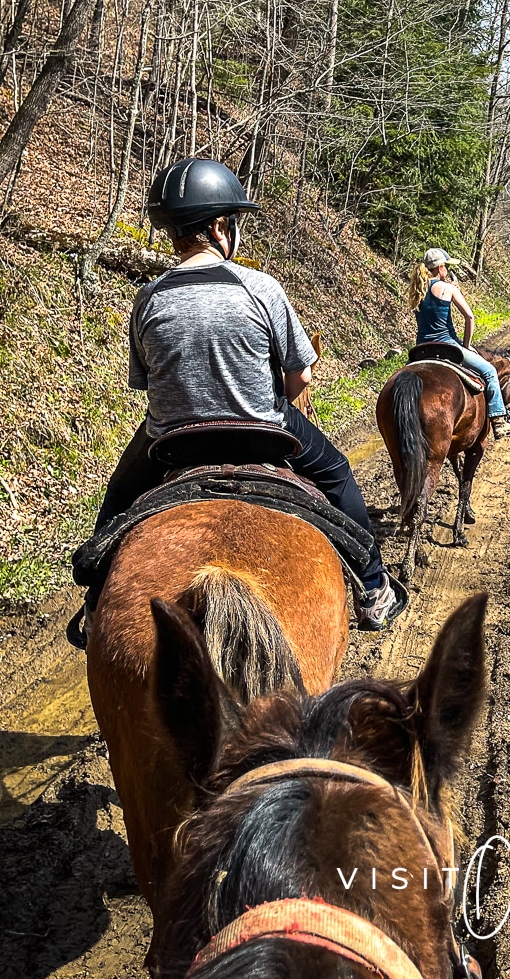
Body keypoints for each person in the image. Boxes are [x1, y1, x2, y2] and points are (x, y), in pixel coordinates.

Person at [84, 157, 400, 633]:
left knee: (121, 491)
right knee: (336, 472)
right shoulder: (260, 287)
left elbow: (150, 381)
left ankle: (93, 599)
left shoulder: (147, 298)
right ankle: (373, 588)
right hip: (262, 433)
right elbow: (301, 378)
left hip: (174, 439)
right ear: (217, 226)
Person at [411, 248, 510, 437]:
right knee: (490, 371)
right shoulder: (448, 289)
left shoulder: (417, 291)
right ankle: (499, 421)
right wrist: (467, 345)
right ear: (440, 267)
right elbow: (469, 317)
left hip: (420, 350)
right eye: (446, 266)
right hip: (448, 346)